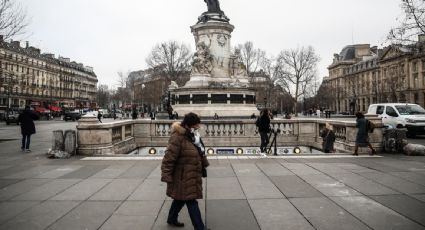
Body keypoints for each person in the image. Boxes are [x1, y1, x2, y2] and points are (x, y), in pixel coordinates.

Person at [161, 112, 209, 230]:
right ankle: (200, 228)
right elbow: (169, 158)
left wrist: (203, 162)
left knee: (180, 199)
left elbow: (197, 152)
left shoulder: (192, 136)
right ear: (188, 125)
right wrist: (166, 175)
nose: (197, 128)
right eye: (195, 126)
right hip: (183, 176)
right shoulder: (177, 137)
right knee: (191, 201)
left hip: (190, 173)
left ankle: (172, 219)